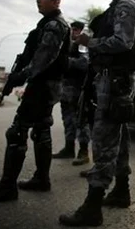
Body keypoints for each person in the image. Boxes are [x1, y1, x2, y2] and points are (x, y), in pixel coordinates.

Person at [59, 0, 135, 227]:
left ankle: (92, 208)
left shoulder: (125, 6)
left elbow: (123, 41)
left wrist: (88, 43)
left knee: (104, 141)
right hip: (113, 79)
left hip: (114, 81)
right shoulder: (117, 6)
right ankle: (121, 191)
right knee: (120, 138)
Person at [0, 0, 70, 205]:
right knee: (42, 128)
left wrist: (19, 77)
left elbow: (43, 58)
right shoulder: (50, 24)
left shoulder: (54, 25)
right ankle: (41, 179)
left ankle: (7, 188)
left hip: (42, 85)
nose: (39, 1)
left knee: (17, 132)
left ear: (57, 2)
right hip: (48, 85)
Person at [53, 21, 91, 166]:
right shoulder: (67, 45)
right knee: (68, 121)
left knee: (82, 122)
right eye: (72, 29)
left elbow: (84, 64)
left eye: (76, 30)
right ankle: (69, 149)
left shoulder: (84, 46)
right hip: (66, 90)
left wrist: (65, 61)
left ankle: (83, 152)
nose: (73, 32)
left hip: (79, 91)